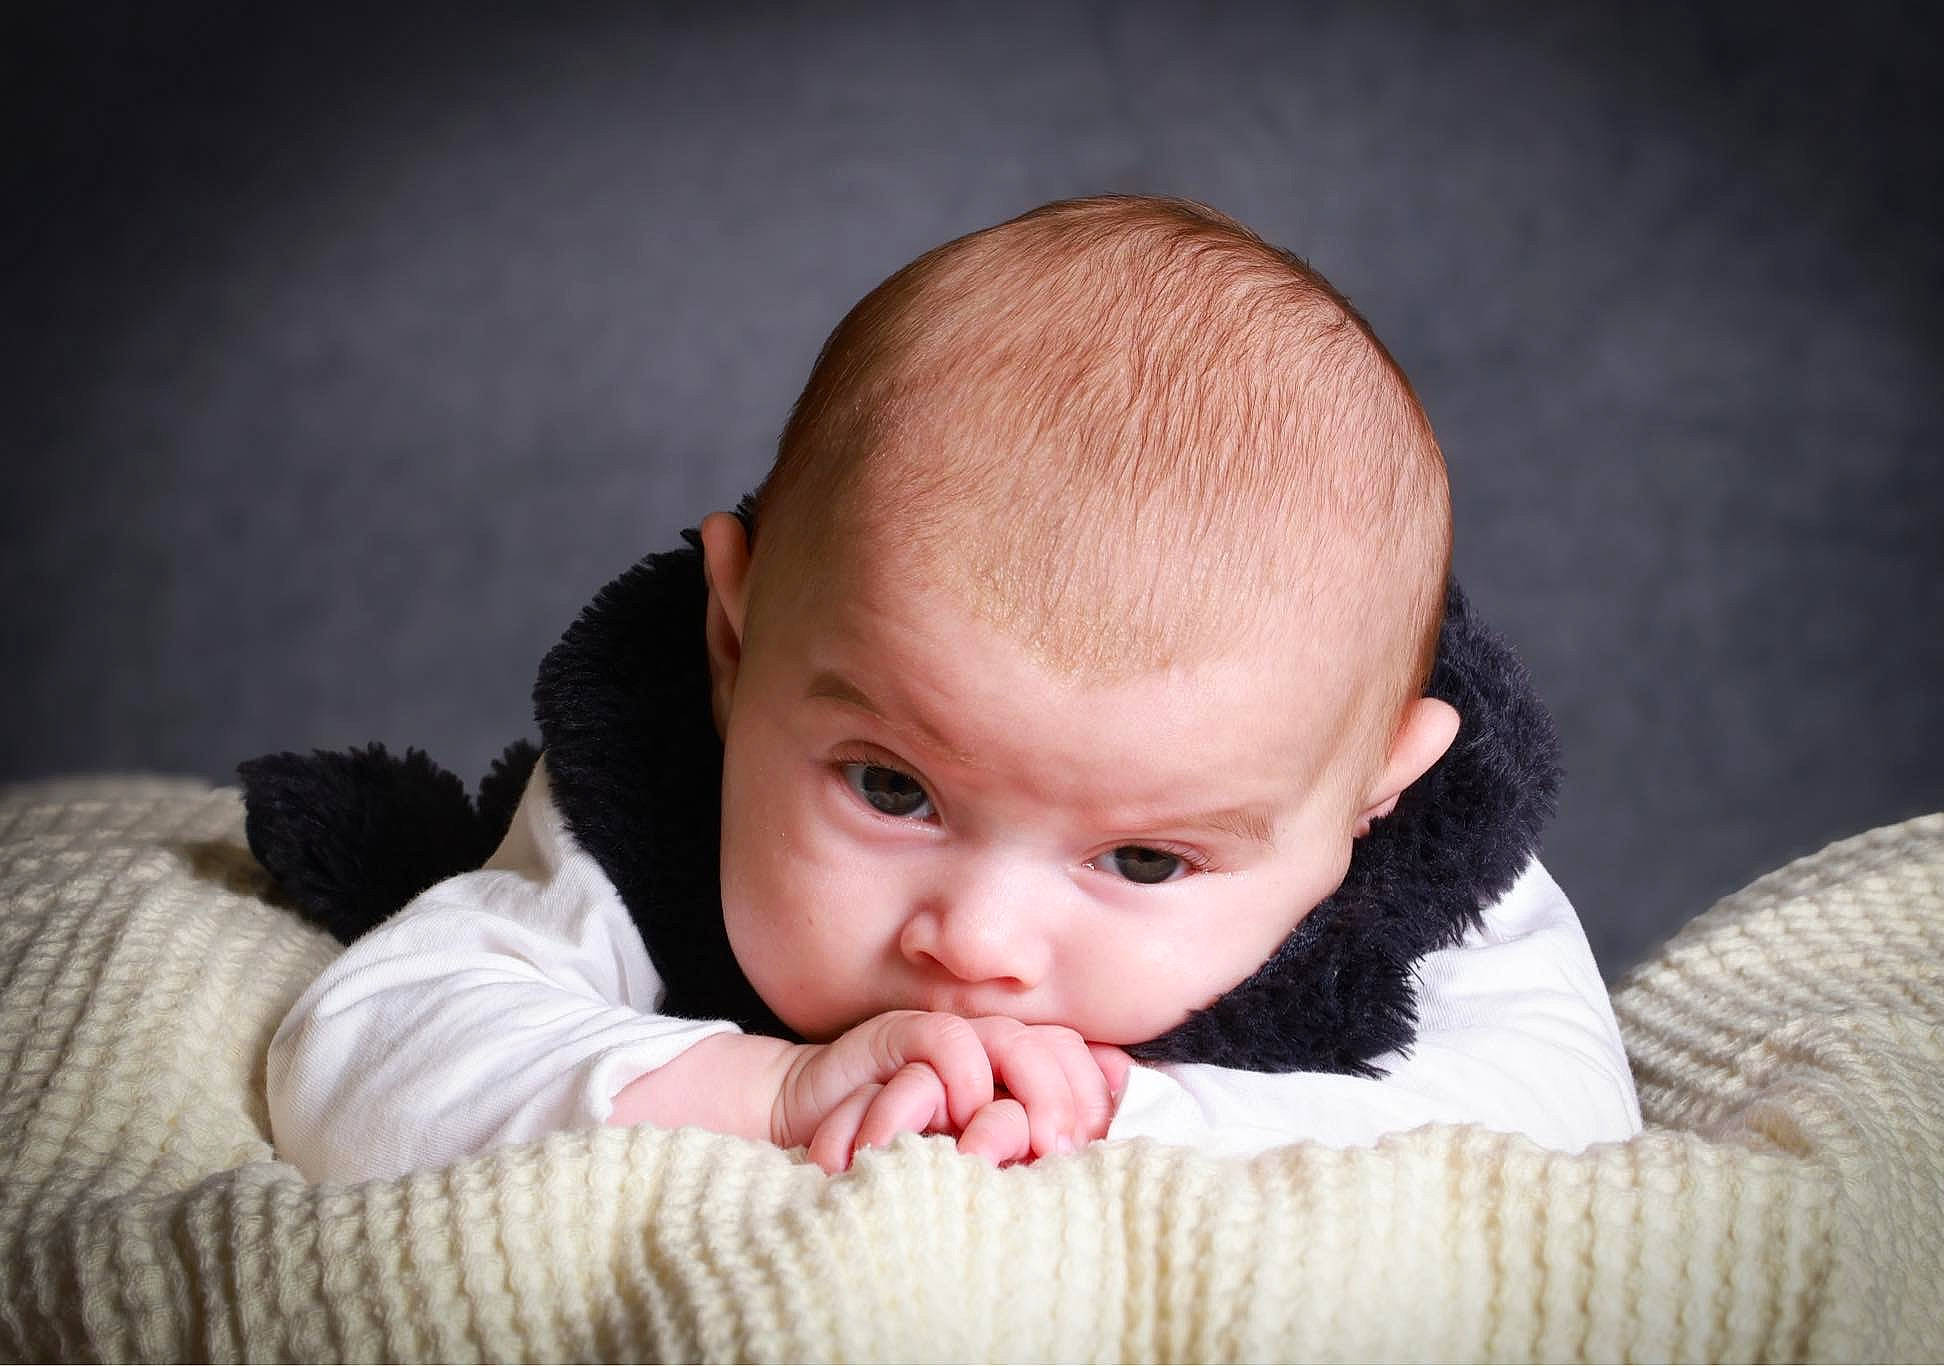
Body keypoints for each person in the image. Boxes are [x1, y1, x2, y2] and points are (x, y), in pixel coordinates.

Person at [266, 195, 1640, 1183]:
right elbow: (364, 1059)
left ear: (1369, 796)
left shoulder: (1417, 869)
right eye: (892, 786)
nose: (977, 941)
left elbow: (1565, 1129)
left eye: (1148, 857)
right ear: (736, 649)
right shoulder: (652, 797)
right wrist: (774, 1092)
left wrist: (1117, 1120)